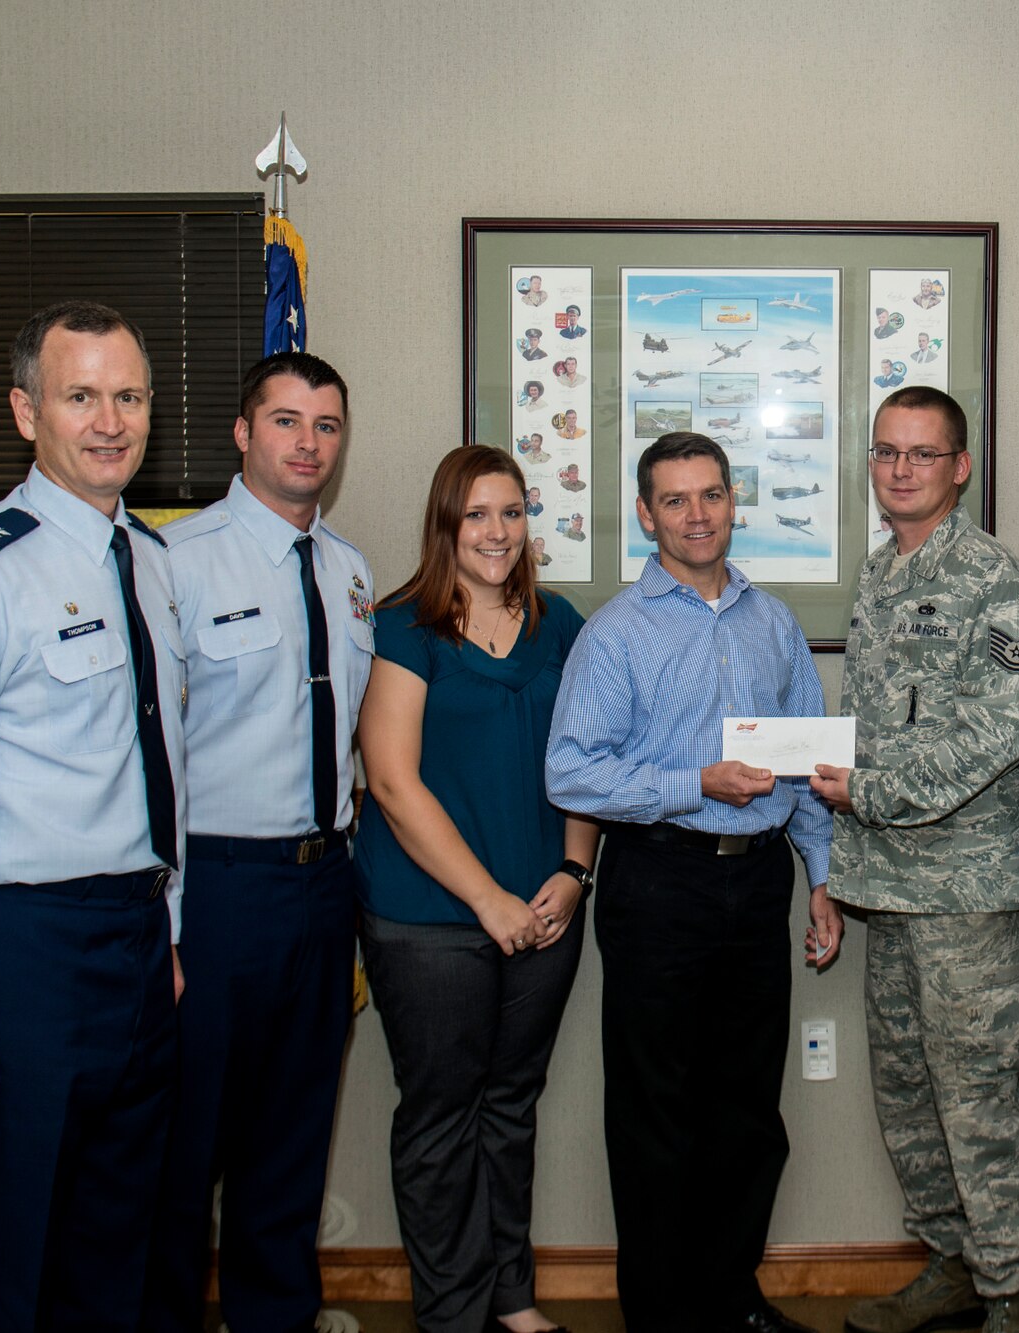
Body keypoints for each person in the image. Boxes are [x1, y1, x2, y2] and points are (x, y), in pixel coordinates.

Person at [0, 300, 186, 1329]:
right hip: (22, 957)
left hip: (135, 948)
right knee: (5, 1269)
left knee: (116, 1258)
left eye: (129, 395)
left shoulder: (147, 560)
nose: (111, 421)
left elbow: (157, 764)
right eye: (81, 395)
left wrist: (168, 931)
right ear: (26, 410)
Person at [545, 432, 842, 1333]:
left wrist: (821, 879)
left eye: (711, 495)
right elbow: (571, 773)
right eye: (675, 500)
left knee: (748, 1110)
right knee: (655, 1114)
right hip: (659, 883)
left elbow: (807, 758)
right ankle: (664, 1315)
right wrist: (693, 783)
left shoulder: (773, 621)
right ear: (646, 513)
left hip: (757, 890)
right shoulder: (614, 634)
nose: (697, 514)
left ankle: (730, 1296)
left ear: (733, 500)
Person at [143, 352, 372, 1333]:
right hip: (217, 885)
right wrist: (168, 924)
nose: (306, 443)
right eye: (285, 421)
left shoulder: (350, 570)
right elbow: (145, 760)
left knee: (291, 1133)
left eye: (324, 425)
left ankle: (273, 1316)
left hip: (324, 885)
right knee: (182, 1143)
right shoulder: (172, 563)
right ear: (243, 433)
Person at [811, 388, 1019, 1333]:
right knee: (908, 1095)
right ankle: (952, 1263)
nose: (901, 469)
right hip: (886, 886)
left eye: (922, 453)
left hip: (968, 895)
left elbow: (1000, 728)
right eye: (886, 452)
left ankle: (1012, 1295)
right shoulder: (879, 575)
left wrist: (868, 793)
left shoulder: (997, 580)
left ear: (960, 467)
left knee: (978, 1102)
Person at [354, 445, 597, 1333]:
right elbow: (391, 781)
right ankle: (451, 1314)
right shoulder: (405, 628)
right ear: (446, 525)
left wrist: (574, 873)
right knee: (441, 1117)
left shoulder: (560, 624)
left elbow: (586, 764)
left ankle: (512, 1297)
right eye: (476, 514)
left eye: (511, 511)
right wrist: (487, 899)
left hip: (547, 911)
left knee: (510, 1105)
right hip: (430, 920)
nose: (496, 532)